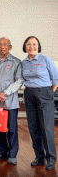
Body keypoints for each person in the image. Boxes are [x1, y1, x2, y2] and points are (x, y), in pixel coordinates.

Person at [21, 36, 58, 170]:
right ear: (25, 47)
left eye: (34, 44)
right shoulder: (23, 62)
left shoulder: (46, 60)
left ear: (38, 46)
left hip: (44, 95)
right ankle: (39, 157)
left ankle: (51, 159)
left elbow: (55, 80)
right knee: (33, 128)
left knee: (46, 129)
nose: (32, 46)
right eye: (29, 44)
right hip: (29, 95)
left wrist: (47, 93)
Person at [0, 37, 24, 165]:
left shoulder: (16, 62)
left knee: (12, 129)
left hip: (10, 101)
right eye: (0, 44)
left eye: (5, 45)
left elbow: (19, 80)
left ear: (10, 47)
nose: (2, 47)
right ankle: (1, 151)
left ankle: (12, 154)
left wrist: (5, 93)